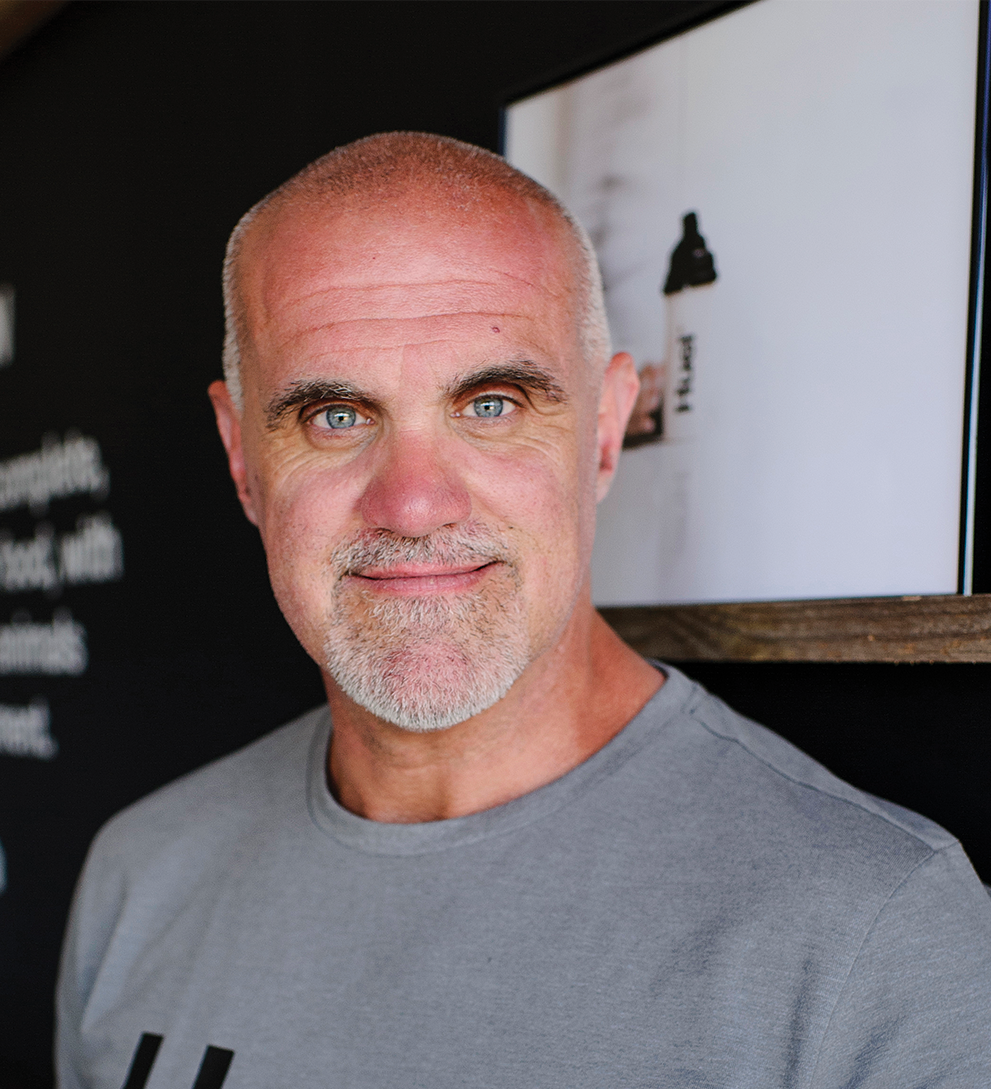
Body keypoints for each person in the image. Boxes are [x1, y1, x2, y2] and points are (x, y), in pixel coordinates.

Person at [57, 133, 991, 1088]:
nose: (414, 503)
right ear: (241, 455)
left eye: (492, 403)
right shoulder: (142, 875)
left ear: (602, 432)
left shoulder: (875, 942)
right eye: (336, 416)